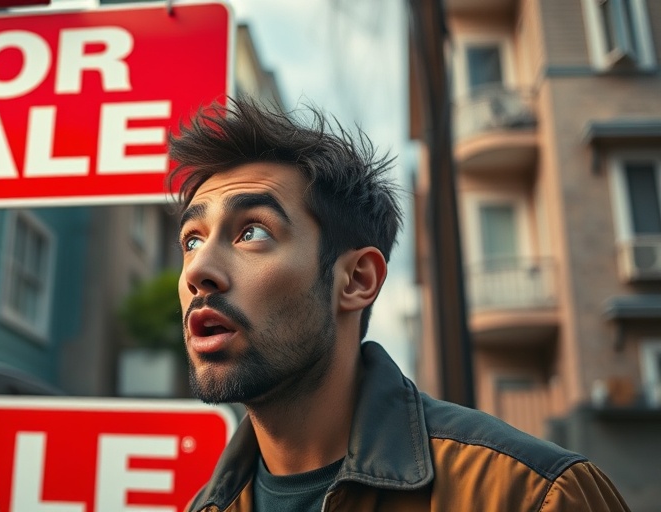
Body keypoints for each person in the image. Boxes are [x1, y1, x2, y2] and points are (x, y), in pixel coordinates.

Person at [166, 98, 630, 512]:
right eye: (192, 240)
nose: (197, 272)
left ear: (356, 280)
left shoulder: (531, 494)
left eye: (253, 232)